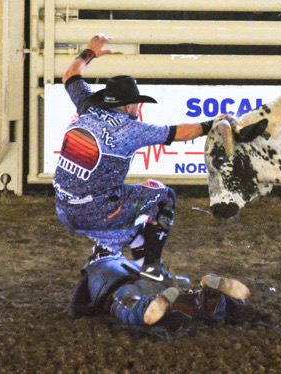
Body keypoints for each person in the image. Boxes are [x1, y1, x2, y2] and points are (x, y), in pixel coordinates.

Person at [53, 34, 223, 285]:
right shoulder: (130, 129)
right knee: (162, 195)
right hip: (97, 212)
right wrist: (215, 123)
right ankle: (152, 268)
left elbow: (70, 76)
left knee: (132, 224)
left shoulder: (88, 105)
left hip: (64, 209)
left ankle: (120, 260)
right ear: (129, 105)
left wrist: (89, 52)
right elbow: (181, 132)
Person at [67, 251, 270, 339]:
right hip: (151, 284)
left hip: (121, 293)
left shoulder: (92, 270)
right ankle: (209, 296)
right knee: (186, 301)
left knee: (130, 309)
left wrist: (98, 311)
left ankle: (153, 306)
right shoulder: (127, 262)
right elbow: (160, 274)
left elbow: (75, 309)